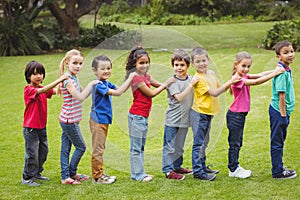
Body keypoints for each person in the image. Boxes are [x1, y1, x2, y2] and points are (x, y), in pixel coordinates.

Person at [226, 51, 285, 179]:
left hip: (239, 115)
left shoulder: (244, 75)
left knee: (238, 142)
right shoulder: (237, 79)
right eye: (244, 66)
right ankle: (233, 169)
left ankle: (235, 165)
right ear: (236, 65)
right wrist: (274, 74)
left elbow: (259, 75)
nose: (246, 69)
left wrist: (275, 70)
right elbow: (257, 82)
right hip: (235, 116)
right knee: (235, 143)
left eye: (248, 66)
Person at [190, 47, 240, 181]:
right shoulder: (198, 79)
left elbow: (220, 87)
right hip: (200, 113)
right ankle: (198, 171)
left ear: (208, 60)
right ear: (193, 64)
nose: (201, 64)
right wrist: (231, 82)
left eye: (203, 60)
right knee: (199, 143)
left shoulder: (210, 74)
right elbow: (215, 93)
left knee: (205, 142)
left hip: (208, 113)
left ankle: (203, 165)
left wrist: (233, 80)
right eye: (198, 61)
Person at [125, 46, 175, 182]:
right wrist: (166, 84)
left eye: (147, 62)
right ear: (134, 64)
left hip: (143, 117)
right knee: (136, 148)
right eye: (141, 63)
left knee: (140, 147)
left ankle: (139, 173)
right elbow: (151, 93)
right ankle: (138, 175)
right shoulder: (136, 78)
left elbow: (157, 84)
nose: (145, 65)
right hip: (136, 117)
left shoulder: (145, 76)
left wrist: (172, 86)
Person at [89, 55, 137, 184]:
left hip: (103, 120)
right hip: (98, 120)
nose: (107, 71)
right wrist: (131, 77)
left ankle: (100, 173)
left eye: (109, 68)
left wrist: (130, 75)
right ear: (94, 70)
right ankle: (97, 177)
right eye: (103, 68)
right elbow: (118, 93)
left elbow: (121, 89)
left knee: (101, 148)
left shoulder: (105, 82)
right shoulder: (98, 84)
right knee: (98, 149)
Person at [22, 61, 67, 187]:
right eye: (35, 74)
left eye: (40, 73)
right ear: (28, 76)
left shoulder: (41, 89)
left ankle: (37, 173)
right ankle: (27, 177)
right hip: (31, 129)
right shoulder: (29, 89)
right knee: (32, 154)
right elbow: (45, 90)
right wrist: (60, 80)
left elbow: (57, 91)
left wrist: (62, 71)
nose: (38, 76)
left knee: (43, 151)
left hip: (42, 127)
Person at [58, 49, 100, 185]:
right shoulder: (67, 80)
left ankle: (68, 175)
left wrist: (96, 84)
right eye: (75, 63)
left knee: (66, 148)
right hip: (69, 120)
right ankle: (69, 174)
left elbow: (84, 93)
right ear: (67, 63)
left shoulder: (74, 77)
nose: (78, 66)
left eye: (80, 63)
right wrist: (91, 84)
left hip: (69, 119)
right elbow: (80, 97)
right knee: (81, 147)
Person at [162, 49, 200, 180]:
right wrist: (191, 85)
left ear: (188, 66)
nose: (179, 68)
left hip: (185, 119)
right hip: (172, 120)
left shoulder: (191, 79)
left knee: (179, 146)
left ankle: (177, 166)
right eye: (176, 65)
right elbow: (180, 98)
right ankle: (168, 170)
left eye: (182, 65)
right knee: (170, 147)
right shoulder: (172, 81)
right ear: (173, 66)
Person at [269, 41, 297, 179]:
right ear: (278, 56)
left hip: (282, 112)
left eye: (291, 51)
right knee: (277, 142)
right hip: (279, 112)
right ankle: (278, 171)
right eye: (286, 52)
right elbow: (281, 96)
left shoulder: (285, 69)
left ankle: (279, 167)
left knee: (279, 141)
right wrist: (283, 116)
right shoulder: (281, 73)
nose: (290, 54)